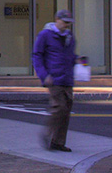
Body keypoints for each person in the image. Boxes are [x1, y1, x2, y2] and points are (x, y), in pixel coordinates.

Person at [32, 9, 79, 152]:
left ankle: (58, 142)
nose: (66, 25)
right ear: (57, 19)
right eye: (64, 22)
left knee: (66, 109)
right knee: (59, 107)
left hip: (67, 78)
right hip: (54, 78)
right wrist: (43, 75)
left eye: (68, 23)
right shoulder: (46, 35)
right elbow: (37, 56)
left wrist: (78, 61)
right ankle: (47, 134)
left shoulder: (69, 37)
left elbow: (70, 56)